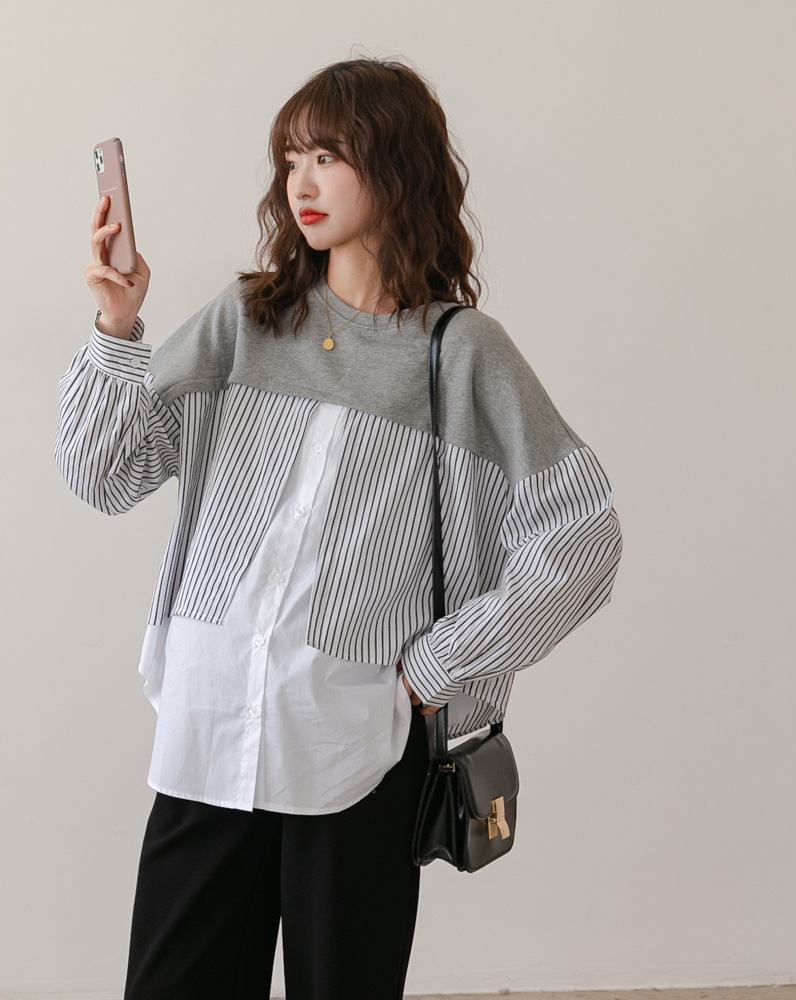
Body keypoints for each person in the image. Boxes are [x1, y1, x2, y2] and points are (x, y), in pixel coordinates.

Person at [56, 57, 622, 1000]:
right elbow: (103, 474)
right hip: (210, 732)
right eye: (291, 160)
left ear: (396, 167)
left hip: (356, 746)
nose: (301, 183)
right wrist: (117, 324)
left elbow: (583, 538)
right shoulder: (248, 320)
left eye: (328, 155)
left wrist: (434, 669)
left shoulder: (461, 355)